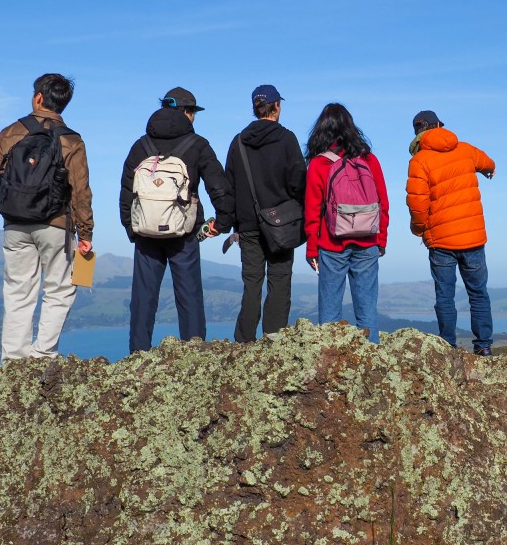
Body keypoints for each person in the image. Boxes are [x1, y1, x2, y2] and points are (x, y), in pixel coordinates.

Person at [0, 73, 93, 362]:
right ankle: (43, 356)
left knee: (18, 291)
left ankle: (14, 360)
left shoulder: (11, 132)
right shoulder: (72, 141)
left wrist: (10, 202)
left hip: (15, 225)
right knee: (59, 290)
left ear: (38, 97)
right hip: (56, 225)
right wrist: (86, 234)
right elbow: (80, 191)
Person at [119, 87, 234, 353]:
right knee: (189, 297)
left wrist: (131, 227)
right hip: (185, 232)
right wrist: (223, 221)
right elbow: (219, 186)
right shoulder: (197, 145)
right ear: (185, 112)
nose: (194, 118)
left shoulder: (141, 145)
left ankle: (137, 357)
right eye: (193, 112)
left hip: (146, 233)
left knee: (143, 300)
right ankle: (194, 358)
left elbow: (127, 189)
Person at [405, 110, 496, 355]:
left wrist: (419, 229)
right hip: (473, 238)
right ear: (439, 126)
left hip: (441, 241)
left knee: (445, 296)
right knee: (478, 294)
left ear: (417, 132)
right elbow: (488, 162)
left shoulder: (419, 161)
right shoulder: (465, 150)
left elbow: (417, 204)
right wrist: (487, 171)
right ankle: (484, 347)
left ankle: (448, 346)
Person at [223, 85, 306, 343]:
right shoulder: (287, 139)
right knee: (280, 283)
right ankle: (274, 344)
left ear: (254, 109)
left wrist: (232, 222)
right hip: (282, 225)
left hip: (248, 226)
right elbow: (298, 182)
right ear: (277, 106)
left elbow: (229, 188)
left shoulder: (238, 142)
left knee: (252, 285)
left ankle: (243, 344)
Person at [302, 103, 389, 343]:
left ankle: (330, 371)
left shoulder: (320, 164)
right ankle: (372, 364)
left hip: (331, 244)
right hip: (368, 242)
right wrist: (381, 239)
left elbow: (312, 211)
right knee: (368, 312)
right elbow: (383, 202)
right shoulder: (369, 159)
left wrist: (311, 248)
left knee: (330, 315)